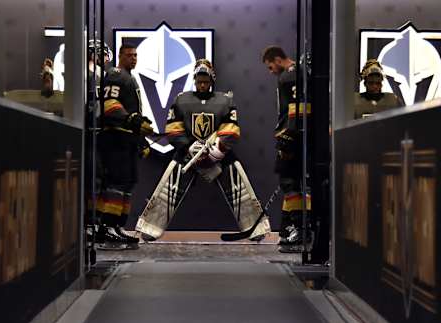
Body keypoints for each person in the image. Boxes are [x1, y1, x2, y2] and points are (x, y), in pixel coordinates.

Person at [135, 59, 271, 242]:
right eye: (199, 81)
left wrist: (218, 150)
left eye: (205, 81)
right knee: (167, 190)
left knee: (240, 189)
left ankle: (256, 229)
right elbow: (173, 128)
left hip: (218, 154)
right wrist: (187, 146)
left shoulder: (225, 100)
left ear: (212, 80)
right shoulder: (181, 99)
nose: (202, 85)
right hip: (187, 153)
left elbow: (232, 128)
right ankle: (150, 227)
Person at [93, 43, 154, 247]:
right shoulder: (116, 74)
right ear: (120, 56)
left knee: (127, 183)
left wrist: (140, 139)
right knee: (116, 184)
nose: (133, 58)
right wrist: (136, 123)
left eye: (135, 55)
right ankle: (106, 228)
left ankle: (117, 226)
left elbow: (129, 113)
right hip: (115, 138)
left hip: (127, 139)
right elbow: (110, 106)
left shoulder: (129, 77)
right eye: (129, 55)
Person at [261, 45, 312, 250]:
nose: (270, 70)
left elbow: (297, 108)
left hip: (293, 138)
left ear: (278, 59)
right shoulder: (298, 74)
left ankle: (298, 229)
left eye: (270, 65)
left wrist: (289, 137)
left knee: (290, 182)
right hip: (301, 138)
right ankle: (294, 227)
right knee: (293, 183)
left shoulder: (289, 76)